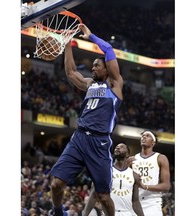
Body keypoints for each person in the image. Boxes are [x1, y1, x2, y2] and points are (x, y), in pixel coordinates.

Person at [49, 24, 123, 216]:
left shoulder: (114, 84)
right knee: (56, 184)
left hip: (99, 142)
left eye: (97, 65)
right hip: (79, 138)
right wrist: (67, 45)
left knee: (104, 197)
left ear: (107, 68)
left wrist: (90, 36)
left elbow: (108, 49)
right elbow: (71, 73)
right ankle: (58, 212)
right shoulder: (89, 84)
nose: (93, 67)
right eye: (92, 66)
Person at [83, 143, 144, 216]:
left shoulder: (134, 175)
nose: (117, 148)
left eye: (121, 147)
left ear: (127, 154)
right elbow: (93, 195)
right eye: (116, 147)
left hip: (128, 212)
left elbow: (135, 201)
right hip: (109, 213)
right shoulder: (104, 172)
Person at [130, 130, 171, 216]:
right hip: (135, 202)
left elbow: (166, 186)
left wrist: (145, 186)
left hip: (152, 202)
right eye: (143, 136)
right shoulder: (133, 159)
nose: (144, 137)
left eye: (147, 136)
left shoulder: (161, 158)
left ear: (153, 142)